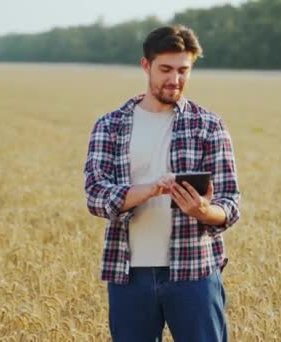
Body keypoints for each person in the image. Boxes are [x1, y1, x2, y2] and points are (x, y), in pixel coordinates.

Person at [83, 25, 241, 342]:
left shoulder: (208, 125)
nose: (175, 79)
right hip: (129, 276)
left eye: (184, 70)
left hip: (195, 273)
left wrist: (204, 211)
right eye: (166, 69)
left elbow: (231, 204)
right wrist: (152, 189)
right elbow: (96, 196)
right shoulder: (110, 125)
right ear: (146, 66)